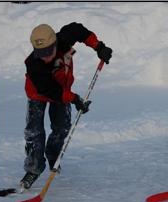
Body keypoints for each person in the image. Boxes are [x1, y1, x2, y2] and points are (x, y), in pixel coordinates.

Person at [21, 22, 112, 189]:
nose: (45, 56)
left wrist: (99, 47)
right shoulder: (34, 65)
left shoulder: (64, 38)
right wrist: (75, 99)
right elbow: (51, 90)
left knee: (62, 127)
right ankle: (34, 167)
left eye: (48, 51)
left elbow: (79, 30)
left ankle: (53, 153)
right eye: (40, 52)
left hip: (61, 88)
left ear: (55, 42)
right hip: (38, 93)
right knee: (35, 131)